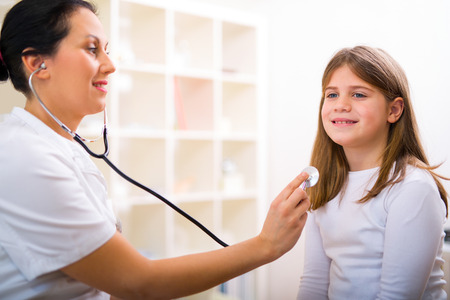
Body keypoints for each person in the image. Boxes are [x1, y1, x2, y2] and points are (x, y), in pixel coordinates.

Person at [0, 1, 311, 299]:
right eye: (92, 49)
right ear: (37, 63)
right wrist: (265, 246)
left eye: (106, 50)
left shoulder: (64, 149)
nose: (110, 65)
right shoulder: (23, 155)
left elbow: (114, 287)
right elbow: (136, 281)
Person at [297, 45, 449, 299]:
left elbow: (396, 296)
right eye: (332, 95)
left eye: (358, 94)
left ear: (394, 110)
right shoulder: (325, 185)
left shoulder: (413, 187)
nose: (341, 105)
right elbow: (313, 284)